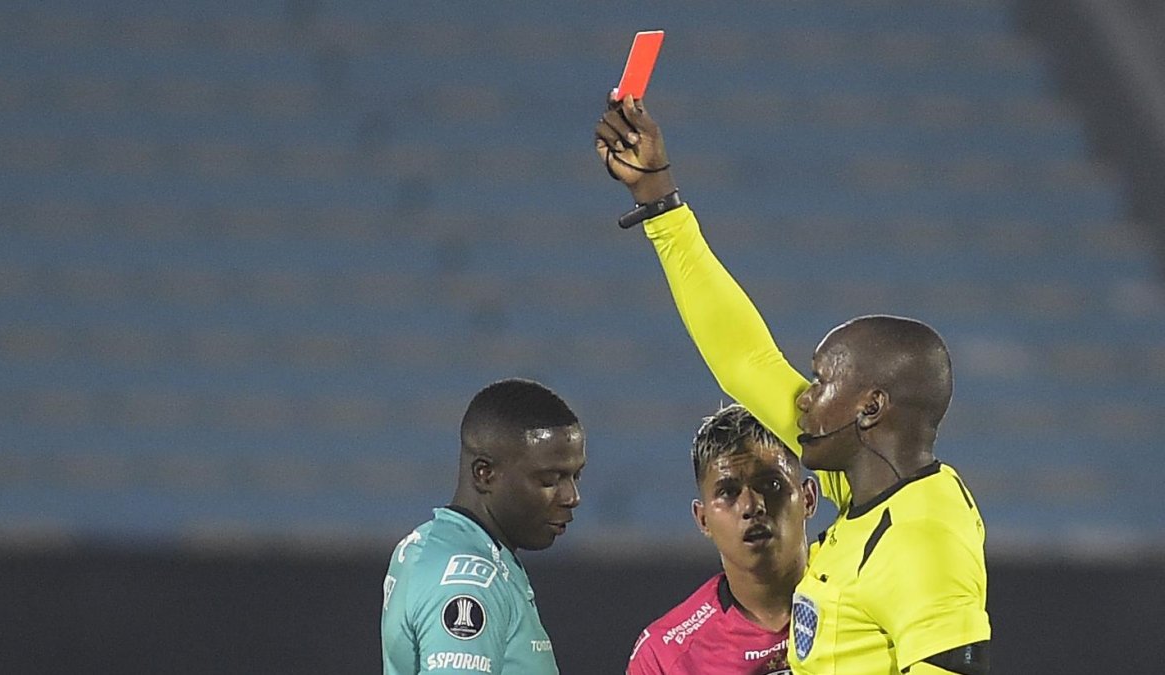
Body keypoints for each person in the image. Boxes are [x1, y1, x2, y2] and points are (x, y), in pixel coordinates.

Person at [595, 95, 991, 675]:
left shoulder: (922, 539)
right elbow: (745, 360)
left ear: (871, 408)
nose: (804, 396)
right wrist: (659, 201)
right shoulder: (860, 487)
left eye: (824, 382)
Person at [380, 378, 585, 674]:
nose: (572, 497)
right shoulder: (467, 581)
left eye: (575, 476)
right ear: (484, 474)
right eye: (549, 480)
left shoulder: (447, 547)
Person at [627, 403, 816, 675]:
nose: (752, 506)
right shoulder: (664, 656)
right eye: (728, 492)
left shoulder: (865, 593)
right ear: (703, 520)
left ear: (808, 498)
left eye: (771, 484)